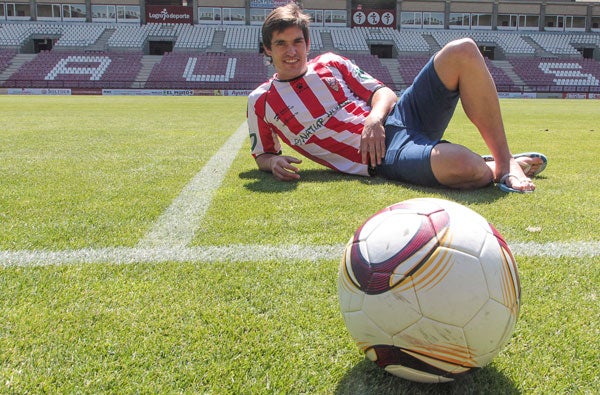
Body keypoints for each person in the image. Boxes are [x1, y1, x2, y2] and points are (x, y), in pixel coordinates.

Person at [247, 3, 547, 193]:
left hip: (400, 116)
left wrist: (374, 119)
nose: (291, 51)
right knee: (467, 168)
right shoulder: (261, 101)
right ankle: (490, 166)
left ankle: (505, 161)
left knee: (463, 50)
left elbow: (384, 92)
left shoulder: (330, 63)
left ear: (307, 43)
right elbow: (263, 153)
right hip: (385, 156)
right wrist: (272, 163)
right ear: (267, 50)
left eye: (298, 41)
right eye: (281, 44)